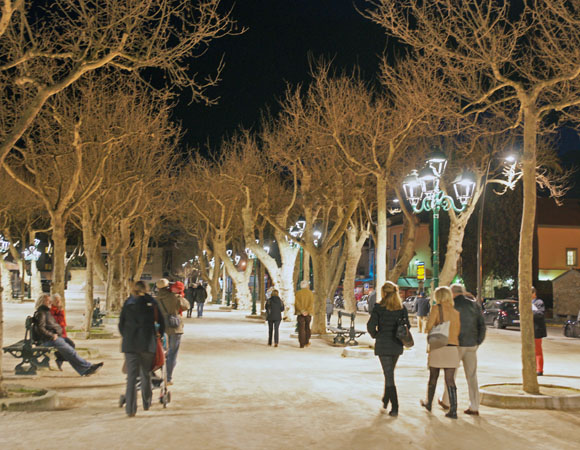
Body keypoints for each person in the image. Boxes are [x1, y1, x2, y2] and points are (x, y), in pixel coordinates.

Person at [118, 281, 165, 417]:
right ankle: (146, 402)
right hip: (147, 343)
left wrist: (127, 336)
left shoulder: (128, 303)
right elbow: (161, 323)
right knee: (146, 373)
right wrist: (158, 337)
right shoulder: (152, 303)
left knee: (132, 377)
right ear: (146, 289)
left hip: (130, 344)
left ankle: (131, 409)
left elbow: (121, 324)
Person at [439, 284, 486, 416]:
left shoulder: (450, 305)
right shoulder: (475, 305)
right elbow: (482, 325)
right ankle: (474, 405)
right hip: (471, 344)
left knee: (450, 375)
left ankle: (446, 401)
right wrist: (478, 341)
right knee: (472, 376)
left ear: (452, 293)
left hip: (455, 344)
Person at [367, 281, 410, 417]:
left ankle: (395, 406)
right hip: (397, 344)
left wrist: (376, 335)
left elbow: (370, 326)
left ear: (384, 293)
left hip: (383, 344)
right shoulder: (401, 308)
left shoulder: (379, 308)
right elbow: (407, 325)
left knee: (389, 375)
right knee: (389, 373)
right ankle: (386, 399)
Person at [33, 294, 103, 376]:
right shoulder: (42, 313)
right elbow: (40, 329)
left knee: (70, 346)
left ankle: (82, 367)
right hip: (49, 340)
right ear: (42, 302)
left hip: (54, 338)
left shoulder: (45, 311)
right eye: (48, 300)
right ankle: (87, 367)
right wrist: (52, 335)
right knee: (70, 352)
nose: (50, 302)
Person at [420, 286, 461, 419]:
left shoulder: (436, 308)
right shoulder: (456, 312)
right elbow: (458, 330)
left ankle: (429, 403)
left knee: (433, 377)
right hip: (453, 347)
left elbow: (429, 326)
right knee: (450, 380)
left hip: (439, 347)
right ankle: (453, 410)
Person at [155, 278, 189, 385]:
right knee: (172, 353)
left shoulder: (155, 299)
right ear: (168, 286)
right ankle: (168, 378)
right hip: (175, 327)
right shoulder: (174, 297)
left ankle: (160, 374)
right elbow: (186, 306)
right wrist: (179, 296)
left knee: (160, 352)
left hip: (160, 328)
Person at [49, 293, 76, 371]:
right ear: (52, 301)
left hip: (61, 334)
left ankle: (59, 358)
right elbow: (55, 323)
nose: (58, 302)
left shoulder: (59, 309)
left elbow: (63, 323)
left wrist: (60, 311)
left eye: (59, 300)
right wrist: (60, 311)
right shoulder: (51, 310)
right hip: (55, 335)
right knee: (70, 345)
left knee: (71, 345)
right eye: (56, 300)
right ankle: (59, 358)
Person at [294, 280, 315, 348]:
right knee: (307, 327)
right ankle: (307, 341)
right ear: (307, 285)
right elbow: (311, 303)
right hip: (308, 314)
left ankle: (301, 344)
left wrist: (302, 311)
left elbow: (297, 303)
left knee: (301, 329)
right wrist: (307, 311)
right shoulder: (310, 293)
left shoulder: (298, 293)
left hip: (300, 313)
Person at [532, 286, 547, 376]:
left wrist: (531, 311)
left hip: (537, 330)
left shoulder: (539, 302)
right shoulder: (528, 302)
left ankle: (539, 369)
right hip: (530, 329)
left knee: (537, 350)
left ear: (534, 294)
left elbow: (540, 314)